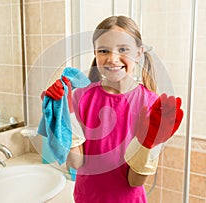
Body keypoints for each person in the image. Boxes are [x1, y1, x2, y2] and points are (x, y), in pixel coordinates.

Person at [66, 15, 183, 203]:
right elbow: (75, 162)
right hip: (86, 198)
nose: (112, 59)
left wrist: (148, 144)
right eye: (104, 50)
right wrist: (61, 115)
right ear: (95, 53)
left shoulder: (152, 106)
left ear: (138, 53)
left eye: (123, 49)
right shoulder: (80, 97)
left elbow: (134, 181)